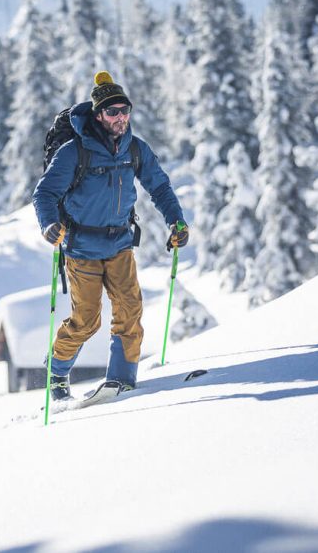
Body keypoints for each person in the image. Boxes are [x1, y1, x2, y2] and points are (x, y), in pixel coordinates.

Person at [32, 70, 189, 399]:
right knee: (87, 320)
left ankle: (122, 380)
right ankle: (56, 372)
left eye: (125, 110)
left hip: (119, 244)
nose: (120, 117)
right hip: (81, 248)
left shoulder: (135, 149)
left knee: (130, 312)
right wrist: (49, 224)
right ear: (98, 114)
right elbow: (44, 194)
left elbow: (159, 186)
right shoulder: (75, 151)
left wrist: (176, 221)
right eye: (112, 111)